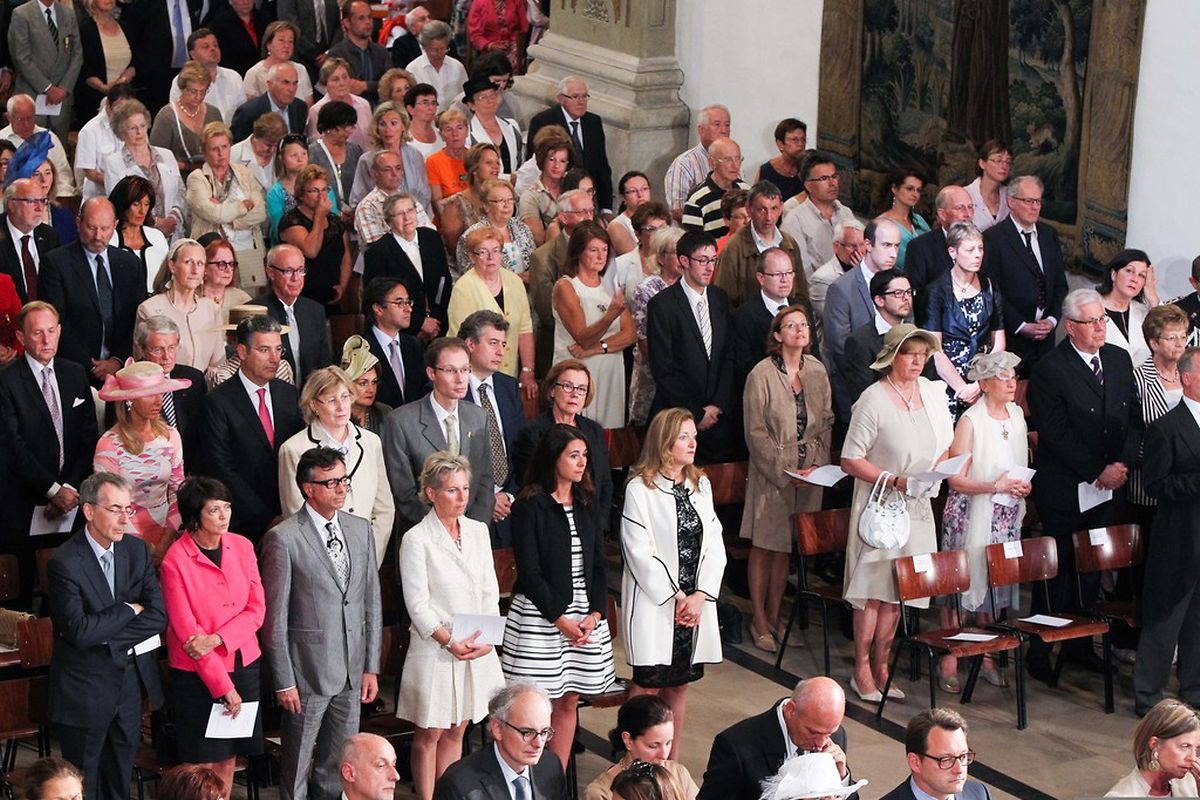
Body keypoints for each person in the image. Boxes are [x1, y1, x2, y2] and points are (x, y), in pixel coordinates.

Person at [1027, 288, 1140, 682]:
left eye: (1102, 320)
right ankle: (1040, 650)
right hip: (1067, 487)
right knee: (1055, 570)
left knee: (1090, 569)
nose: (1099, 328)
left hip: (1109, 486)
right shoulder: (1050, 369)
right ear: (1071, 327)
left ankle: (1078, 646)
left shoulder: (1118, 358)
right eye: (1091, 322)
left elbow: (1133, 418)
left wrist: (1122, 462)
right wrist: (1097, 469)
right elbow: (1055, 433)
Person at [261, 446, 383, 800]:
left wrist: (370, 667)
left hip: (352, 670)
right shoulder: (283, 538)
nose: (341, 488)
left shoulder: (360, 530)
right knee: (297, 765)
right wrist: (284, 681)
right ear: (307, 488)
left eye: (344, 479)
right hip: (307, 674)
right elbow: (275, 619)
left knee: (340, 764)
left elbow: (370, 602)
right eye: (330, 482)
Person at [840, 324, 953, 702]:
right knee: (872, 593)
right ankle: (861, 668)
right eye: (910, 353)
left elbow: (944, 443)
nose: (918, 360)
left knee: (897, 592)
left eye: (923, 354)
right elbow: (850, 459)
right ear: (892, 357)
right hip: (881, 504)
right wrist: (893, 481)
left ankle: (883, 663)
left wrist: (939, 470)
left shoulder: (932, 395)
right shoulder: (873, 399)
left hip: (917, 505)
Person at [503, 424, 617, 770]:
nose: (582, 462)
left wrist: (595, 615)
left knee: (569, 702)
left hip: (582, 616)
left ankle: (555, 778)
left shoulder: (586, 502)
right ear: (554, 458)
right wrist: (559, 619)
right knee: (533, 705)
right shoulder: (529, 505)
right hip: (543, 615)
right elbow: (530, 571)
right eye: (573, 455)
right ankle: (527, 781)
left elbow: (599, 563)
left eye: (585, 455)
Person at [47, 472, 166, 800]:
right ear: (88, 511)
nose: (124, 518)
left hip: (127, 685)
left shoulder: (137, 551)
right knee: (82, 784)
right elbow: (80, 631)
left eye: (129, 510)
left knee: (121, 780)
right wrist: (129, 610)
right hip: (84, 690)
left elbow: (157, 616)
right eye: (115, 509)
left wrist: (108, 634)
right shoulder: (64, 563)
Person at [398, 452, 506, 800]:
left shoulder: (477, 531)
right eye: (452, 490)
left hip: (476, 645)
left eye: (465, 489)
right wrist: (449, 641)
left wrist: (488, 639)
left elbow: (491, 589)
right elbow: (418, 606)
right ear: (431, 493)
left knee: (459, 729)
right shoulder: (417, 539)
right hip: (436, 649)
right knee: (430, 733)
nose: (462, 498)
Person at [621, 408, 727, 758]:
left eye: (693, 436)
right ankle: (630, 764)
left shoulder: (701, 484)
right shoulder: (640, 488)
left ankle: (669, 765)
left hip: (693, 607)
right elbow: (638, 550)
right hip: (658, 604)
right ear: (665, 442)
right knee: (647, 687)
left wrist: (699, 598)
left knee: (679, 687)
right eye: (684, 436)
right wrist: (678, 597)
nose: (692, 442)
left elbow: (714, 541)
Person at [160, 476, 266, 793]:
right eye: (214, 510)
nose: (224, 516)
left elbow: (256, 609)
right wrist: (224, 687)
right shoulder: (174, 561)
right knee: (199, 765)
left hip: (243, 662)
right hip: (197, 675)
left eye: (227, 508)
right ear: (194, 517)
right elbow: (190, 639)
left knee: (228, 758)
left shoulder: (243, 546)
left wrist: (218, 638)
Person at [741, 305, 833, 653]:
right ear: (777, 335)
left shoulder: (817, 371)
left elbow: (826, 420)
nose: (800, 330)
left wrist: (814, 467)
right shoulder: (761, 374)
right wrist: (784, 471)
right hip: (773, 474)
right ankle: (760, 619)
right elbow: (756, 431)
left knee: (785, 549)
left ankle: (777, 615)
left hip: (809, 474)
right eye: (791, 325)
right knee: (765, 545)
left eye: (804, 325)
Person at [936, 351, 1029, 692]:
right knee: (961, 586)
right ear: (985, 383)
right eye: (1003, 377)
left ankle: (985, 653)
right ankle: (951, 657)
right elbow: (955, 480)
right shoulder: (970, 421)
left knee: (993, 587)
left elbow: (1019, 461)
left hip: (1005, 515)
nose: (1011, 382)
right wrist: (994, 486)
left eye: (1013, 376)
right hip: (970, 514)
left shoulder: (1017, 414)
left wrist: (1021, 484)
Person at [0, 302, 99, 601]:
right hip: (23, 503)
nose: (46, 340)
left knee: (71, 593)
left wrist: (67, 488)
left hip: (71, 503)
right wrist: (52, 490)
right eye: (37, 333)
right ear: (20, 337)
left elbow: (87, 437)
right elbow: (12, 447)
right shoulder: (6, 381)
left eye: (52, 331)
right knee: (24, 596)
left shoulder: (74, 374)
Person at [197, 313, 303, 542]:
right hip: (243, 522)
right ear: (242, 352)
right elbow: (221, 467)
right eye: (264, 350)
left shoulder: (288, 393)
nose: (274, 358)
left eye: (278, 349)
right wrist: (265, 518)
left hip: (290, 514)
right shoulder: (218, 401)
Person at [1135, 348, 1200, 715]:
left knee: (1198, 621)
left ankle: (1195, 687)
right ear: (1187, 378)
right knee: (1165, 619)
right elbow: (1156, 484)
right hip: (1179, 537)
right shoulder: (1166, 427)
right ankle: (1148, 695)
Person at [278, 366, 395, 564]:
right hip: (320, 562)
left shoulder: (371, 441)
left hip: (367, 557)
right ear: (314, 405)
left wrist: (369, 557)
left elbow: (384, 508)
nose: (342, 407)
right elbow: (296, 514)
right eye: (332, 400)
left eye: (345, 396)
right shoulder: (293, 449)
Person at [381, 337, 496, 532]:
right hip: (425, 535)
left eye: (465, 369)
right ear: (431, 373)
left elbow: (484, 479)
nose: (460, 378)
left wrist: (471, 529)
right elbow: (405, 493)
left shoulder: (478, 416)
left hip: (471, 534)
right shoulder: (401, 421)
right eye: (450, 370)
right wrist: (445, 530)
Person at [40, 197, 147, 385]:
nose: (98, 235)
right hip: (74, 370)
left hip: (122, 370)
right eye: (91, 227)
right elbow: (57, 321)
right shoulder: (56, 263)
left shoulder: (130, 264)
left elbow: (137, 318)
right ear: (78, 223)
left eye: (105, 229)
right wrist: (93, 366)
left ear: (115, 225)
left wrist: (117, 360)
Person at [697, 677, 852, 800]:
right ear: (791, 710)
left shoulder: (836, 736)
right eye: (813, 732)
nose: (821, 743)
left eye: (829, 733)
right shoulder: (736, 746)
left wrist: (842, 777)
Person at [94, 360, 188, 555]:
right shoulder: (109, 444)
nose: (158, 401)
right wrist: (141, 548)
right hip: (123, 539)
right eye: (150, 395)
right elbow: (107, 504)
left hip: (167, 533)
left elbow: (178, 491)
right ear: (130, 399)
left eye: (160, 392)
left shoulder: (171, 437)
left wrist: (165, 540)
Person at [980, 175, 1069, 374]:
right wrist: (1020, 325)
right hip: (1011, 339)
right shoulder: (993, 238)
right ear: (1011, 202)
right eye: (1028, 201)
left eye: (1038, 201)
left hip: (1045, 341)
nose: (1035, 207)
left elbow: (1060, 285)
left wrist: (1052, 321)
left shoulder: (1048, 235)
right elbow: (991, 291)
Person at [513, 359, 613, 534]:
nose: (575, 394)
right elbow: (530, 484)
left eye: (582, 389)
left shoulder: (594, 431)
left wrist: (599, 524)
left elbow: (604, 482)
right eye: (568, 386)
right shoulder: (532, 433)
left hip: (591, 524)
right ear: (552, 390)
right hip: (548, 525)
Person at [552, 222, 635, 428]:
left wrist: (596, 349)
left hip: (610, 372)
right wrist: (610, 315)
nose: (601, 256)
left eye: (605, 250)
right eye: (594, 250)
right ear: (579, 252)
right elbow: (582, 337)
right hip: (578, 375)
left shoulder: (612, 286)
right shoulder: (567, 286)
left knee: (609, 436)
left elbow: (630, 334)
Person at [923, 221, 1005, 420]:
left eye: (980, 248)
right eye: (970, 249)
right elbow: (935, 349)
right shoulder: (936, 290)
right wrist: (962, 388)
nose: (977, 254)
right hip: (949, 382)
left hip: (984, 378)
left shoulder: (990, 287)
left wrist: (979, 385)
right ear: (953, 252)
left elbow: (999, 343)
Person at [823, 219, 901, 426]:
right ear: (868, 245)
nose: (893, 253)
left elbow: (907, 332)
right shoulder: (842, 288)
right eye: (886, 245)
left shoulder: (901, 282)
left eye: (896, 246)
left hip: (899, 388)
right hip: (856, 390)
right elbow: (839, 347)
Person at [431, 683, 567, 800]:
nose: (538, 743)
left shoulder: (550, 766)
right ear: (497, 728)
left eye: (544, 732)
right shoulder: (459, 786)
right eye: (527, 732)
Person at [459, 310, 523, 545]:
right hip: (468, 508)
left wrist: (508, 494)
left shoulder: (508, 387)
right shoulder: (452, 391)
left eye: (503, 344)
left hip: (509, 506)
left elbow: (519, 448)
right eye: (493, 342)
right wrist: (488, 498)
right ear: (470, 344)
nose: (500, 351)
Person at [841, 271, 933, 428]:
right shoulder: (859, 341)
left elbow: (929, 381)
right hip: (881, 424)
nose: (906, 298)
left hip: (919, 417)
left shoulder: (917, 335)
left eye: (909, 292)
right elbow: (863, 395)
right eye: (898, 293)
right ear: (879, 300)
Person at [448, 226, 536, 383]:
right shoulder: (463, 288)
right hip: (477, 376)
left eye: (496, 250)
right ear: (471, 256)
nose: (491, 257)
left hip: (511, 375)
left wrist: (527, 369)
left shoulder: (514, 281)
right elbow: (461, 340)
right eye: (482, 252)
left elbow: (525, 329)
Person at [186, 122, 267, 289]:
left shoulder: (244, 172)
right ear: (204, 151)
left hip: (248, 251)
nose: (221, 153)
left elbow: (260, 213)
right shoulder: (197, 178)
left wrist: (230, 219)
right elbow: (213, 213)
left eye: (224, 146)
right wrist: (242, 207)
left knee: (250, 304)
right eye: (214, 149)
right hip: (214, 256)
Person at [1128, 304, 1189, 518]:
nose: (1180, 344)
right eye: (1172, 338)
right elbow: (1132, 435)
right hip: (1150, 486)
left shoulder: (1191, 376)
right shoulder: (1137, 380)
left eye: (1183, 336)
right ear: (1154, 343)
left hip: (1189, 487)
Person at [529, 188, 596, 375]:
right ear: (564, 218)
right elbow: (546, 312)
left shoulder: (604, 249)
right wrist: (586, 332)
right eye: (582, 212)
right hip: (562, 345)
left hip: (598, 346)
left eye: (591, 211)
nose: (589, 217)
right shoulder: (543, 257)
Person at [250, 242, 335, 386]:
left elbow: (324, 364)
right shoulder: (256, 312)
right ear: (270, 272)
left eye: (301, 270)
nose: (296, 278)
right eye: (288, 271)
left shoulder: (314, 310)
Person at [584, 696, 699, 800]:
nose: (664, 755)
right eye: (653, 746)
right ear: (628, 740)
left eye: (668, 743)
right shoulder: (601, 793)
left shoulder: (679, 774)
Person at [101, 100, 185, 242]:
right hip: (137, 236)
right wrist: (156, 222)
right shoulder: (113, 163)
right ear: (121, 132)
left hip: (173, 233)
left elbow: (181, 192)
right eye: (133, 128)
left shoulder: (166, 155)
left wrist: (173, 218)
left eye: (142, 125)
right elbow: (120, 203)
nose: (139, 132)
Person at [526, 76, 614, 212]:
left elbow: (602, 166)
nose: (581, 102)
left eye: (585, 97)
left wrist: (606, 208)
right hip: (558, 199)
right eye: (575, 97)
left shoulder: (593, 122)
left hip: (589, 200)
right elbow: (535, 163)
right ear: (561, 99)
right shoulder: (544, 121)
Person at [730, 246, 811, 394]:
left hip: (804, 390)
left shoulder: (802, 307)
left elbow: (812, 353)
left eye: (788, 273)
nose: (785, 279)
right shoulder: (744, 316)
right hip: (766, 395)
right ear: (761, 278)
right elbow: (745, 369)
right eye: (777, 274)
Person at [132, 315, 208, 470]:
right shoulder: (128, 382)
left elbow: (203, 434)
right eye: (158, 349)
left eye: (172, 348)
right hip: (145, 470)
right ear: (142, 349)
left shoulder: (193, 379)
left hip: (190, 471)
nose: (167, 357)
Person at [138, 238, 226, 372]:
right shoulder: (149, 309)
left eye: (200, 263)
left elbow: (218, 364)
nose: (195, 270)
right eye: (188, 262)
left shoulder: (211, 309)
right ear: (172, 266)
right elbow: (143, 366)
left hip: (205, 389)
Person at [716, 181, 806, 308]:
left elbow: (801, 293)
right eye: (762, 210)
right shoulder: (734, 248)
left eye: (774, 209)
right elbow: (723, 299)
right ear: (749, 209)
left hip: (787, 322)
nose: (769, 217)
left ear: (781, 208)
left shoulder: (789, 243)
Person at [629, 227, 684, 426]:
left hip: (686, 378)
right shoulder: (647, 290)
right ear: (660, 257)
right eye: (676, 253)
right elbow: (645, 343)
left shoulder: (691, 286)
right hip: (655, 377)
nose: (683, 258)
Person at [278, 164, 352, 310]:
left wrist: (342, 286)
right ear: (301, 194)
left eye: (324, 190)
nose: (321, 196)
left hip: (332, 293)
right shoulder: (291, 221)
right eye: (314, 191)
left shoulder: (334, 220)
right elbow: (311, 251)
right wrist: (319, 216)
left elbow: (346, 256)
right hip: (304, 294)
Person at [7, 0, 82, 142]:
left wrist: (64, 88)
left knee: (58, 150)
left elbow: (77, 55)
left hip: (62, 98)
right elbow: (21, 58)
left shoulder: (68, 14)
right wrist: (48, 88)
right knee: (28, 152)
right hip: (32, 96)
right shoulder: (21, 14)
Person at [880, 708, 990, 800]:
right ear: (915, 763)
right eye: (946, 760)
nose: (959, 769)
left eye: (963, 756)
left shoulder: (979, 794)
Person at [780, 152, 857, 276]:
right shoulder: (794, 221)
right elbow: (801, 272)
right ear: (808, 185)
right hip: (817, 290)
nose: (832, 183)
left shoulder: (845, 212)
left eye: (834, 176)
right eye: (824, 178)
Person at [1105, 699, 1200, 797]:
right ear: (1155, 744)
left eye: (1196, 748)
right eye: (1185, 746)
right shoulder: (1121, 795)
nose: (1192, 758)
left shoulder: (1190, 781)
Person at [350, 102, 432, 212]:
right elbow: (357, 199)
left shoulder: (415, 155)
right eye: (382, 124)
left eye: (393, 123)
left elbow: (424, 194)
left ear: (403, 126)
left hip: (415, 218)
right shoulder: (367, 160)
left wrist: (412, 216)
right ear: (377, 128)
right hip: (379, 219)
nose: (388, 129)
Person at [361, 276, 429, 407]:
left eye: (408, 302)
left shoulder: (414, 345)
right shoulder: (361, 348)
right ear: (378, 308)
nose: (408, 309)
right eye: (400, 303)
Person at [903, 185, 974, 308]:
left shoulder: (984, 244)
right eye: (960, 208)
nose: (968, 214)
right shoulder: (920, 247)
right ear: (942, 214)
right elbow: (917, 297)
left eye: (970, 207)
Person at [151, 62, 224, 177]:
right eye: (193, 91)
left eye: (203, 91)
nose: (198, 97)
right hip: (179, 179)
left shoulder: (213, 113)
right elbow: (156, 158)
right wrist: (186, 167)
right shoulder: (166, 117)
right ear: (182, 88)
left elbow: (223, 145)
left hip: (213, 177)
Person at [454, 179, 536, 281]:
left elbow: (534, 263)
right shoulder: (472, 236)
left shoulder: (522, 228)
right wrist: (517, 279)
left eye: (510, 200)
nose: (507, 205)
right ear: (486, 205)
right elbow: (472, 278)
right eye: (500, 201)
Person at [1, 97, 77, 200]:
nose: (27, 124)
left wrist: (60, 199)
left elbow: (64, 176)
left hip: (49, 199)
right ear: (9, 118)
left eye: (30, 118)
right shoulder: (2, 139)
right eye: (21, 119)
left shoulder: (49, 137)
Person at [665, 105, 730, 223]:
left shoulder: (732, 160)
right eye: (717, 124)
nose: (724, 130)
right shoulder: (684, 164)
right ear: (701, 129)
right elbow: (677, 210)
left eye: (727, 125)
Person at [267, 134, 337, 244]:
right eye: (293, 155)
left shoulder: (325, 188)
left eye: (304, 154)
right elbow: (278, 229)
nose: (300, 159)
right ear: (282, 158)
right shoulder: (275, 193)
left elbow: (335, 221)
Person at [169, 29, 246, 126]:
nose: (213, 49)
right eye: (205, 47)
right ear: (192, 54)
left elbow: (243, 111)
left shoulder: (234, 76)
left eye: (215, 45)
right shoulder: (181, 81)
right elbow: (177, 116)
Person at [1, 176, 59, 302]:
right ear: (11, 204)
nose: (39, 208)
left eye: (43, 201)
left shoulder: (49, 236)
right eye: (32, 201)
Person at [75, 0, 135, 124]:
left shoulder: (126, 26)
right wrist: (103, 87)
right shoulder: (85, 30)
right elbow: (84, 67)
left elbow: (137, 61)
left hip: (127, 97)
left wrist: (123, 81)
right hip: (95, 99)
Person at [439, 142, 502, 260]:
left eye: (497, 163)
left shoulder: (501, 198)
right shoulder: (455, 205)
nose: (496, 167)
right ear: (474, 169)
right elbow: (454, 248)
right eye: (489, 163)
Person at [108, 176, 170, 295]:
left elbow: (166, 278)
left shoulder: (157, 237)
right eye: (136, 204)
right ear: (123, 203)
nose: (142, 211)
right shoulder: (110, 239)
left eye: (146, 204)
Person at [75, 85, 137, 201]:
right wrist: (118, 184)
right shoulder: (90, 130)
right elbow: (90, 173)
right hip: (98, 198)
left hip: (129, 197)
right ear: (108, 105)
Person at [1099, 248, 1160, 368]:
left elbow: (1168, 337)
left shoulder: (1146, 312)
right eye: (1129, 271)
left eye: (1142, 275)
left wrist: (1153, 297)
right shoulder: (1092, 306)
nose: (1134, 279)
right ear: (1114, 274)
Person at [806, 219, 865, 337]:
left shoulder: (871, 270)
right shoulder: (821, 280)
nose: (859, 251)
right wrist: (859, 275)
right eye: (852, 246)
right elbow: (841, 320)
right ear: (836, 247)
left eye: (862, 245)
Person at [681, 138, 749, 238]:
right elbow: (692, 244)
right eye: (728, 159)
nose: (735, 165)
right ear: (712, 163)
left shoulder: (747, 190)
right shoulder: (696, 200)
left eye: (738, 158)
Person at [326, 0, 389, 103]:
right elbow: (345, 88)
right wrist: (375, 85)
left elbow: (391, 84)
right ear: (346, 23)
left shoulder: (382, 52)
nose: (368, 22)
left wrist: (365, 86)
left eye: (369, 17)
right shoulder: (337, 54)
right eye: (361, 18)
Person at [232, 61, 309, 143]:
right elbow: (238, 146)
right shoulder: (248, 112)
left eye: (295, 83)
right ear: (270, 84)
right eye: (285, 83)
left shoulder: (300, 107)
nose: (291, 89)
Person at [242, 23, 315, 107]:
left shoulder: (300, 69)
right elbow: (250, 108)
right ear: (268, 45)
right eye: (281, 40)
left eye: (290, 41)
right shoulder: (254, 73)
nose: (287, 45)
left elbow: (308, 103)